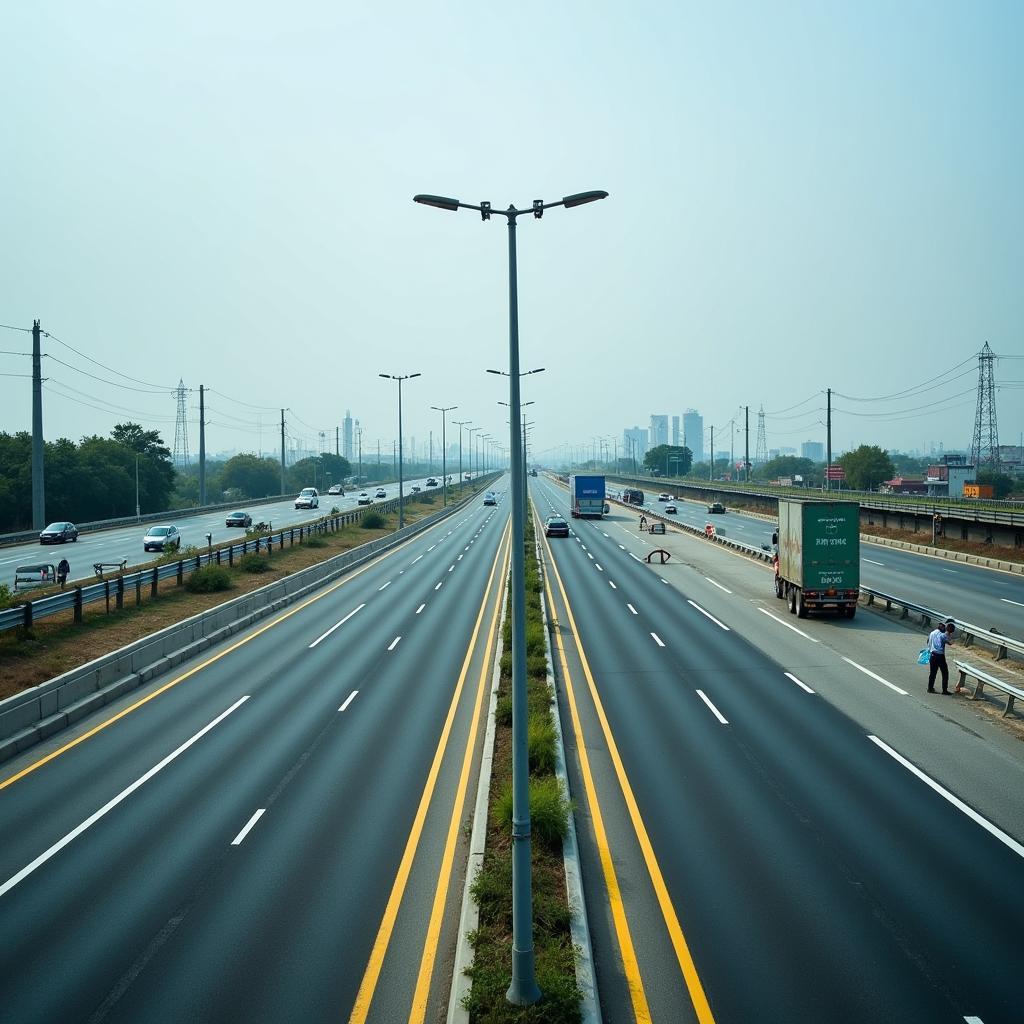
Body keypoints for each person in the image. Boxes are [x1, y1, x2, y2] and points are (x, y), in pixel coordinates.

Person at [926, 618, 955, 694]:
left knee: (933, 673)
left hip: (932, 655)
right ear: (943, 627)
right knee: (945, 673)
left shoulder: (932, 633)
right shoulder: (943, 635)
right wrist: (949, 634)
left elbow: (928, 641)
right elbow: (950, 643)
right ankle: (944, 690)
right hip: (940, 656)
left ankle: (930, 688)